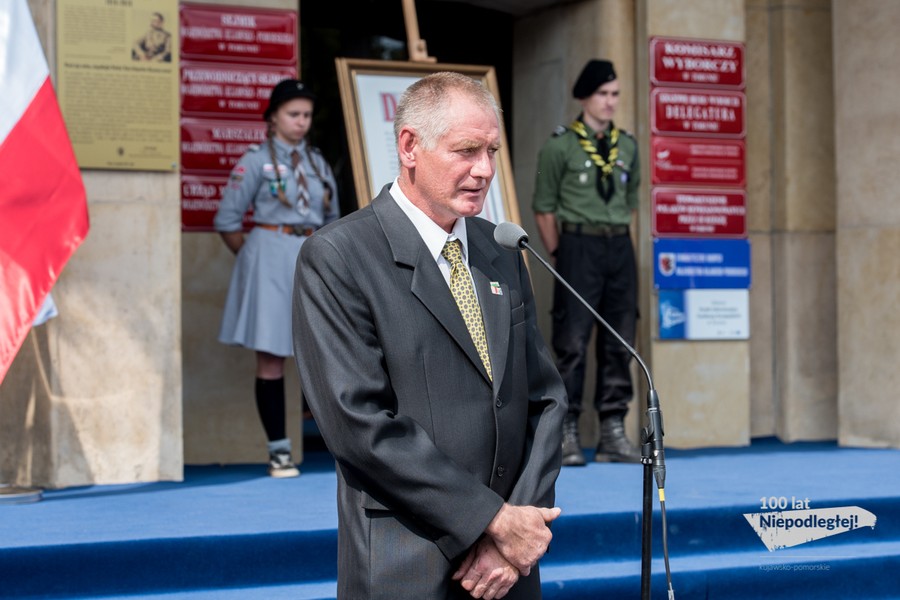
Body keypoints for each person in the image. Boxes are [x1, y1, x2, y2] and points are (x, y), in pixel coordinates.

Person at [293, 72, 567, 599]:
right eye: (466, 151)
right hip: (407, 560)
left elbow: (544, 399)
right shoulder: (339, 256)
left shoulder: (503, 247)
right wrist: (491, 520)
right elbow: (359, 426)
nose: (484, 170)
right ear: (409, 145)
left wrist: (514, 534)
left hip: (508, 568)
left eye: (491, 150)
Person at [214, 79, 339, 478]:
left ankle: (341, 445)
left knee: (323, 353)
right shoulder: (253, 161)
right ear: (273, 117)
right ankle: (279, 451)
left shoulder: (318, 162)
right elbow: (228, 220)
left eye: (306, 115)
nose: (301, 122)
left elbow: (332, 219)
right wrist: (255, 258)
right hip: (269, 253)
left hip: (311, 255)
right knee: (271, 356)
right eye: (293, 114)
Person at [532, 59, 642, 467]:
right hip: (577, 246)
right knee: (572, 342)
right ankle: (567, 431)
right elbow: (544, 208)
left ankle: (614, 430)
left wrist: (616, 240)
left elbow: (631, 205)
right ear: (584, 97)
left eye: (615, 94)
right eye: (602, 94)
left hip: (618, 248)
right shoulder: (560, 146)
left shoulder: (627, 145)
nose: (610, 102)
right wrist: (562, 254)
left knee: (621, 340)